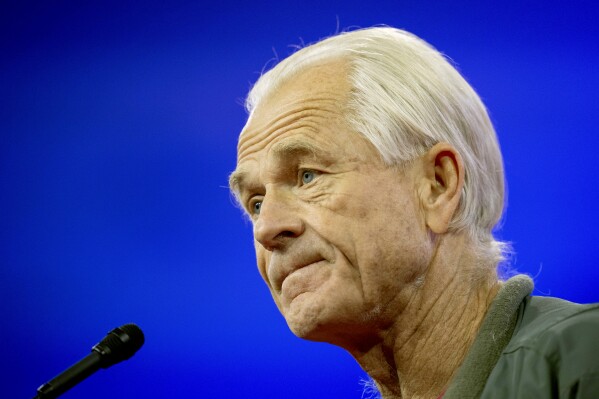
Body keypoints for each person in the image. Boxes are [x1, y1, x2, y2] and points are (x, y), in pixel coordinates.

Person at [228, 27, 599, 398]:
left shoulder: (583, 361)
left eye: (308, 176)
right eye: (256, 203)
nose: (267, 228)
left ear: (437, 185)